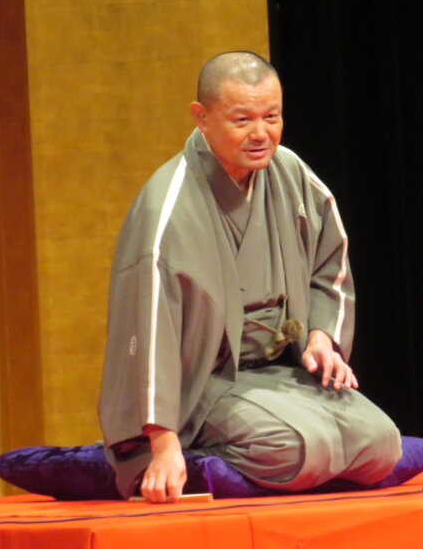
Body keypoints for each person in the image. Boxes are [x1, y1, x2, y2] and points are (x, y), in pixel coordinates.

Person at [98, 51, 401, 502]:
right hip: (203, 382)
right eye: (242, 120)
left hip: (280, 370)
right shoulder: (168, 207)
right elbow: (148, 329)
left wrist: (321, 337)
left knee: (382, 445)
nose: (261, 134)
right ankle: (195, 452)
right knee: (297, 449)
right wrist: (162, 443)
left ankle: (283, 429)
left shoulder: (291, 173)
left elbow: (330, 261)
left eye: (271, 117)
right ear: (201, 118)